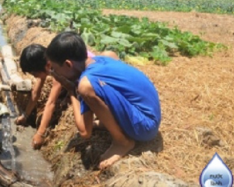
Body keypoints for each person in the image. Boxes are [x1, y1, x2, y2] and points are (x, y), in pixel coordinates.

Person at [45, 31, 161, 169]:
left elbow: (84, 132)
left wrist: (72, 92)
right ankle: (116, 124)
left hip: (146, 127)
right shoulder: (102, 59)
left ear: (68, 64)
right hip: (149, 114)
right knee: (103, 64)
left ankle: (122, 141)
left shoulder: (86, 83)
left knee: (86, 88)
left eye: (56, 69)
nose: (55, 74)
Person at [17, 43, 118, 149]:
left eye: (35, 74)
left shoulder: (58, 68)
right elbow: (35, 92)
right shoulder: (51, 57)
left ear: (46, 66)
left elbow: (51, 103)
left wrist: (40, 134)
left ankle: (106, 124)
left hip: (94, 82)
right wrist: (25, 115)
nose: (36, 77)